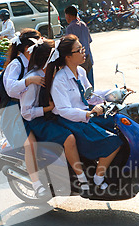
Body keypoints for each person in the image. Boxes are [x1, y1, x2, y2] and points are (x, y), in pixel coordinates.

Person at [45, 34, 122, 195]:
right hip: (71, 121)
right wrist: (88, 114)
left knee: (118, 124)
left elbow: (90, 96)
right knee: (114, 142)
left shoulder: (80, 71)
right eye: (79, 50)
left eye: (83, 48)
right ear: (67, 56)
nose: (83, 52)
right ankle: (98, 179)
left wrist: (114, 93)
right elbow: (64, 110)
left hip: (86, 115)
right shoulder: (60, 80)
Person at [18, 38, 90, 197]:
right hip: (35, 121)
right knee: (69, 138)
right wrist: (48, 109)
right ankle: (81, 179)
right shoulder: (35, 78)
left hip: (49, 115)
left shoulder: (55, 72)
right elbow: (26, 112)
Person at [1, 28, 47, 197]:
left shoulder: (35, 63)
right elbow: (11, 89)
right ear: (27, 48)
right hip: (14, 115)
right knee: (31, 145)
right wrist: (29, 80)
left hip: (31, 111)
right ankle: (36, 185)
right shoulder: (16, 64)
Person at [64, 5, 95, 88]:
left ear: (68, 15)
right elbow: (89, 40)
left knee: (81, 87)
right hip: (88, 58)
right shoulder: (83, 24)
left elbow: (68, 46)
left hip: (78, 60)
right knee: (90, 86)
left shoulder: (70, 28)